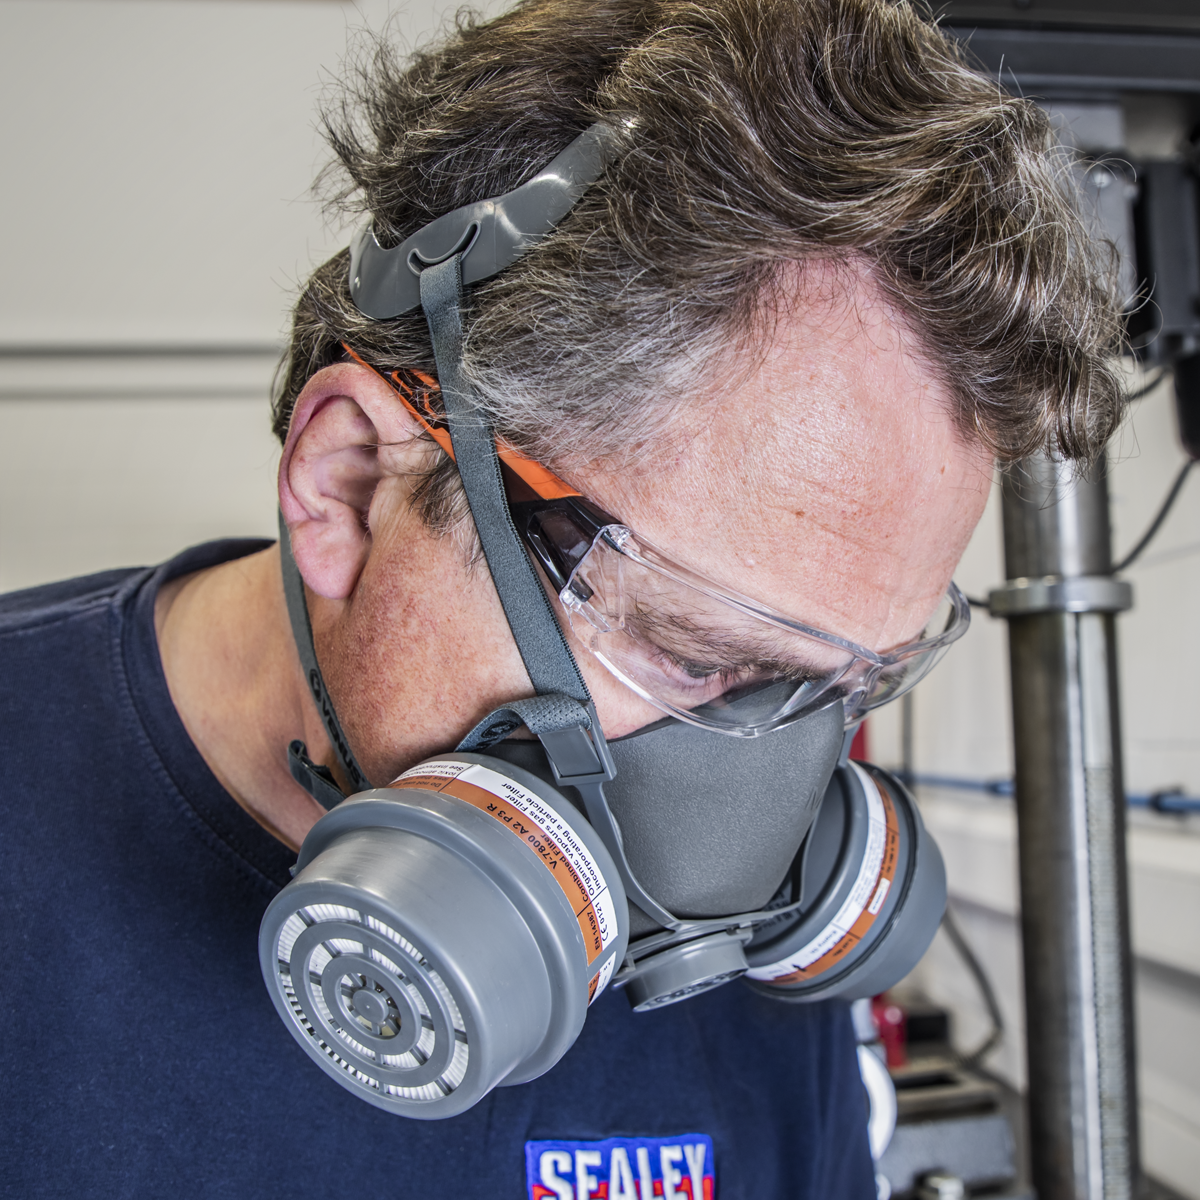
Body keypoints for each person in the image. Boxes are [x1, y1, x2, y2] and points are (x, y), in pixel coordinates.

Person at [0, 0, 1122, 1196]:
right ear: (351, 483)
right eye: (696, 653)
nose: (741, 851)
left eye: (841, 687)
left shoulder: (761, 972)